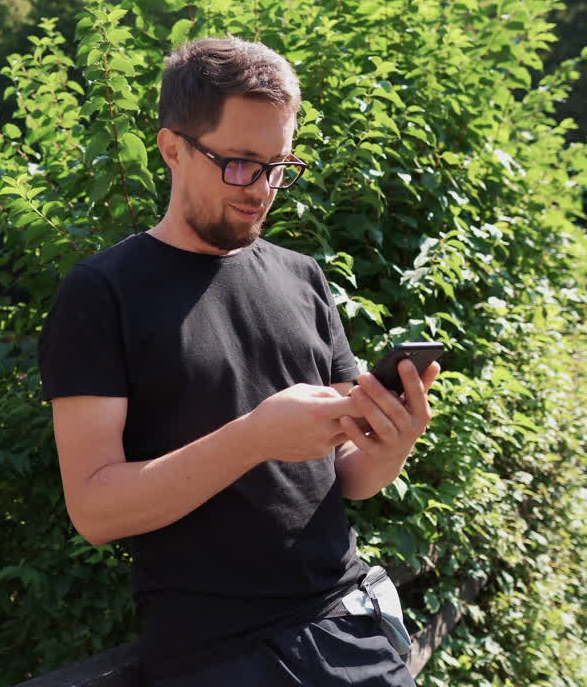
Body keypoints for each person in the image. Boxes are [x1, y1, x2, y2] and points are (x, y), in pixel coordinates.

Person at [38, 37, 442, 686]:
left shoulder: (303, 277)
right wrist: (255, 437)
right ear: (172, 148)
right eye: (238, 163)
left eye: (279, 166)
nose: (262, 189)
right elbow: (95, 509)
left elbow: (348, 476)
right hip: (217, 654)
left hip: (347, 626)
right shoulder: (102, 292)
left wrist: (392, 442)